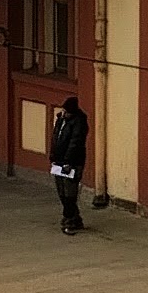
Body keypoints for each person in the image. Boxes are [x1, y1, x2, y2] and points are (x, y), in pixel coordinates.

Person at [46, 93, 89, 233]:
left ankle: (69, 219)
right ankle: (74, 218)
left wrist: (68, 161)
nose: (63, 113)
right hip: (59, 161)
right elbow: (55, 138)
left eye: (66, 111)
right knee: (61, 191)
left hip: (72, 163)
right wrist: (53, 156)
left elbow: (75, 143)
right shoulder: (61, 120)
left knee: (69, 193)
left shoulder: (79, 122)